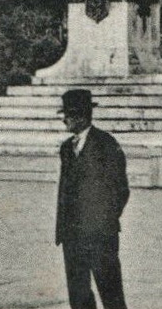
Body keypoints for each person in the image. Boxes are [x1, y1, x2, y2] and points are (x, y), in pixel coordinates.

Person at [56, 89, 130, 309]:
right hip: (72, 235)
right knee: (78, 295)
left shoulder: (106, 144)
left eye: (68, 115)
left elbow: (120, 189)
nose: (64, 120)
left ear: (80, 116)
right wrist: (63, 229)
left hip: (100, 235)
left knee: (111, 293)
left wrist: (104, 220)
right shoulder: (66, 148)